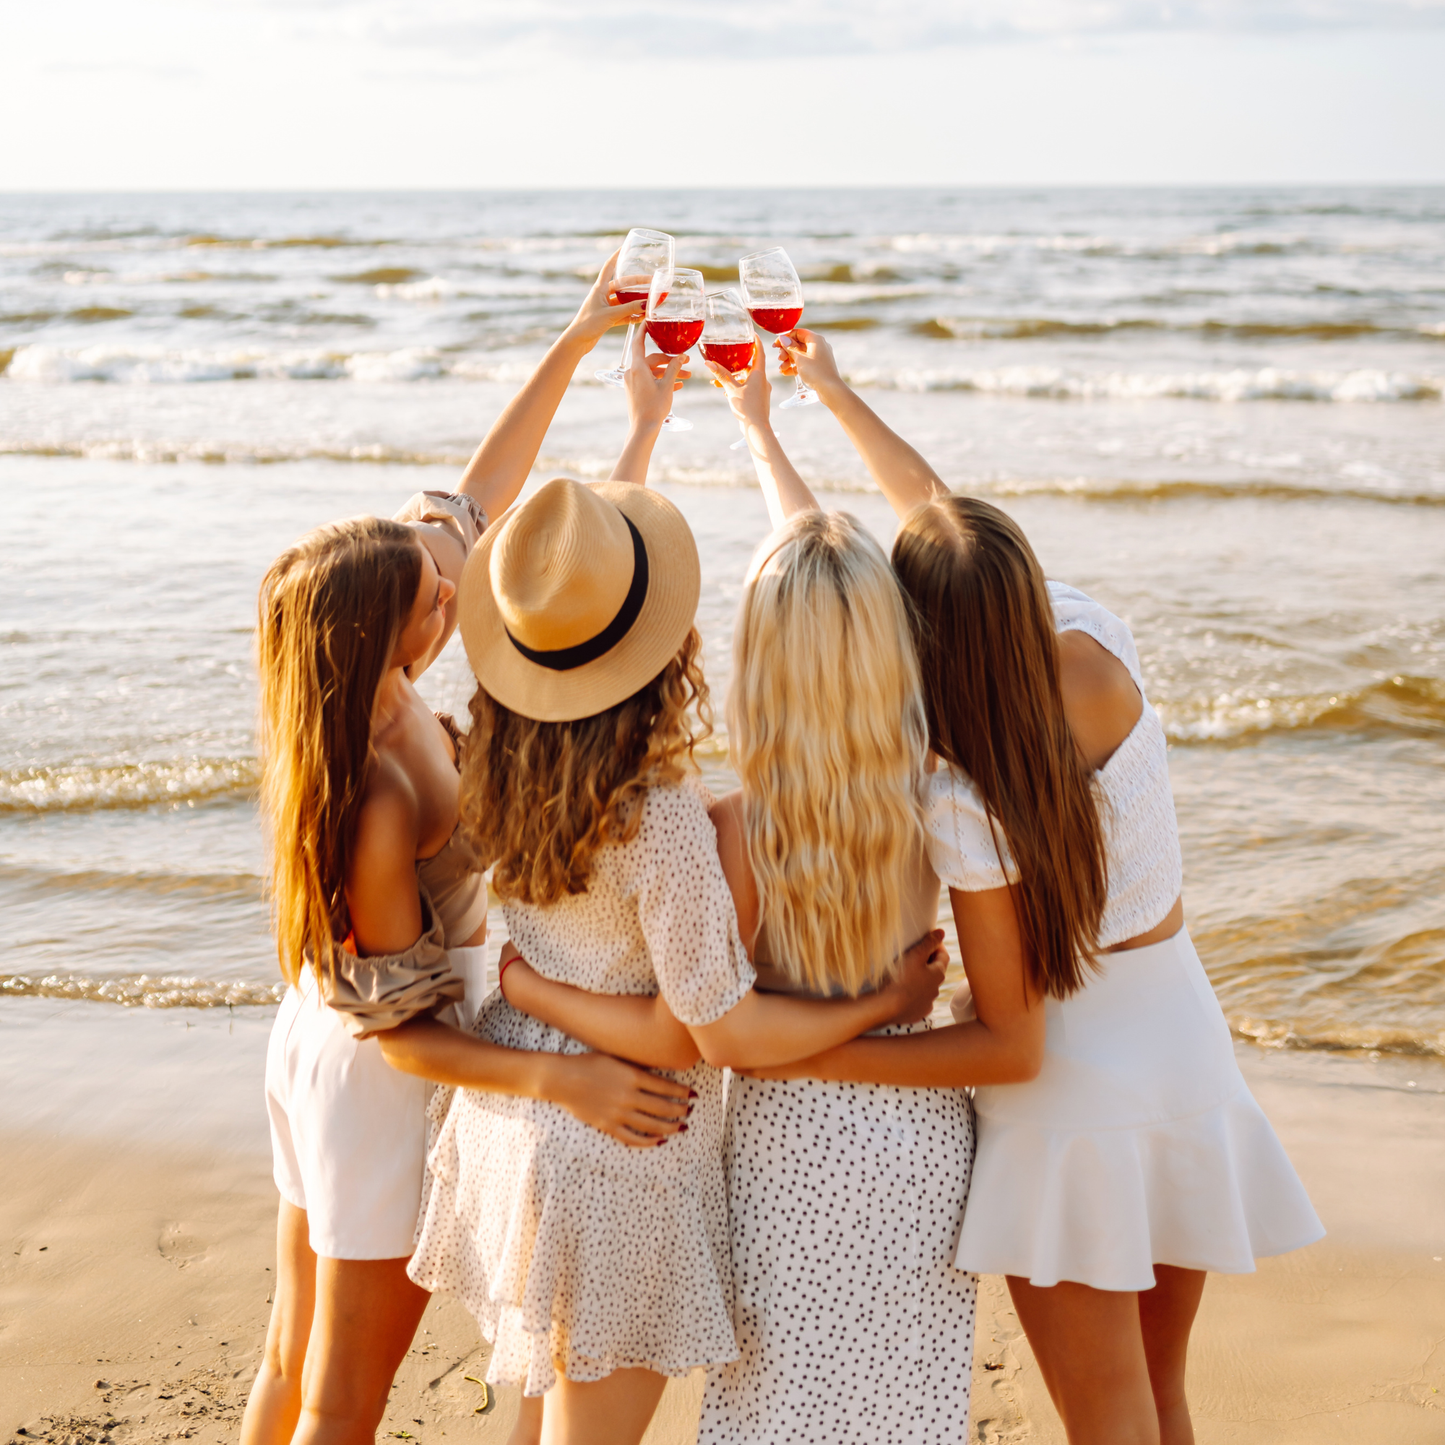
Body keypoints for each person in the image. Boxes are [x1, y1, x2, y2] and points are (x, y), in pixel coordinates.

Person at [725, 330, 1325, 1445]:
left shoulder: (958, 787)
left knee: (1105, 1415)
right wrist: (827, 396)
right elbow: (945, 525)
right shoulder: (1098, 645)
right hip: (1184, 1043)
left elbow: (1011, 1045)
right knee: (1159, 1395)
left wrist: (816, 1054)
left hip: (1071, 1101)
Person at [405, 373, 945, 1445]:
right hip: (624, 1149)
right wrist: (883, 1000)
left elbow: (570, 595)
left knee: (537, 1427)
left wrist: (646, 429)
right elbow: (706, 1030)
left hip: (519, 1121)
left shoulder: (503, 761)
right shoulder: (665, 823)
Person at [240, 255, 697, 1445]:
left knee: (292, 1351)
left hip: (316, 1026)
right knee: (339, 1388)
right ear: (378, 633)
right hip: (378, 1068)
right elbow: (403, 1037)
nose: (460, 594)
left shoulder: (358, 692)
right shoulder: (380, 797)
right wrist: (568, 1077)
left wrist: (590, 351)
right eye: (435, 599)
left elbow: (493, 514)